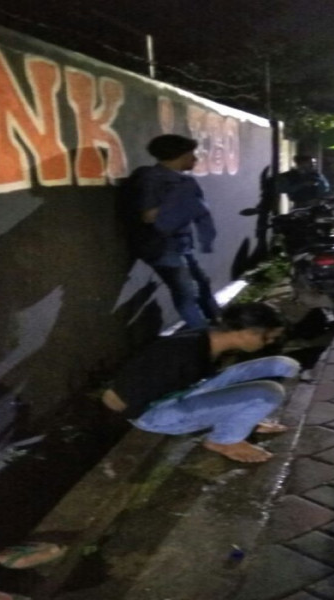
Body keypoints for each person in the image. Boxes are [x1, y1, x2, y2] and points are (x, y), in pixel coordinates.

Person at [102, 302, 301, 463]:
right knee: (269, 393)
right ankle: (223, 441)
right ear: (248, 332)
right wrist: (131, 414)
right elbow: (116, 397)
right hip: (154, 414)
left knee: (282, 365)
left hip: (184, 393)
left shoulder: (207, 337)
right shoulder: (183, 352)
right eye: (268, 338)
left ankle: (238, 419)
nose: (269, 343)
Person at [127, 134, 220, 329]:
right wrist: (181, 200)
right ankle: (204, 336)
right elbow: (148, 216)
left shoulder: (182, 180)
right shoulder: (152, 179)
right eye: (191, 154)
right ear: (179, 155)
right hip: (162, 245)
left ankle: (221, 323)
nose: (195, 159)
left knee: (201, 283)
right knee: (186, 292)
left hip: (181, 243)